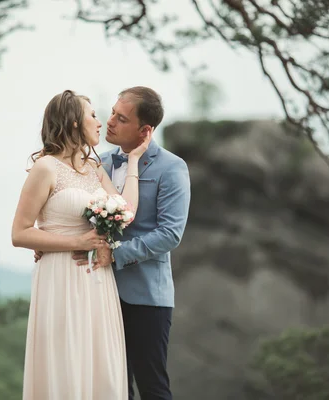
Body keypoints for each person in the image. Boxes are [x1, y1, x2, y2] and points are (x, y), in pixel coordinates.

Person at [36, 86, 192, 399]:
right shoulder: (96, 163)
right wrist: (51, 238)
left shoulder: (172, 168)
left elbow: (169, 234)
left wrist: (115, 254)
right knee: (112, 385)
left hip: (146, 295)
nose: (110, 122)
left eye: (121, 119)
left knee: (153, 385)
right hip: (93, 290)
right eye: (112, 113)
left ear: (144, 129)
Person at [11, 89, 152, 400]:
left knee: (99, 360)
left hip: (98, 280)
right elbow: (19, 233)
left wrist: (133, 162)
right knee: (67, 359)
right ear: (74, 122)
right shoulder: (45, 168)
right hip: (61, 277)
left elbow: (125, 211)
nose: (100, 122)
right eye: (92, 115)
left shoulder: (92, 168)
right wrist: (75, 240)